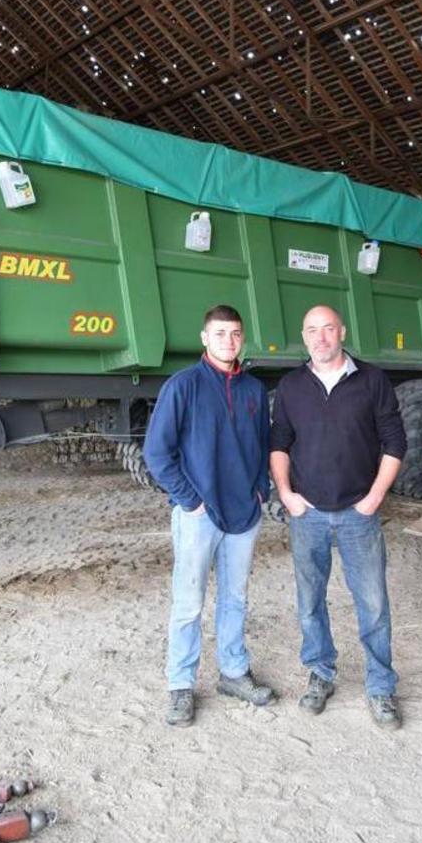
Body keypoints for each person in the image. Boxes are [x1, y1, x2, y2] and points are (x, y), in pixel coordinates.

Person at [270, 305, 407, 730]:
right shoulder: (292, 386)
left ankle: (381, 687)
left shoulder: (372, 380)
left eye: (328, 328)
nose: (321, 337)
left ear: (342, 332)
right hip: (307, 514)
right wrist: (287, 494)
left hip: (357, 515)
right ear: (303, 335)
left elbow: (395, 442)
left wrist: (375, 497)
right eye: (312, 329)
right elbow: (279, 444)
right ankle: (321, 673)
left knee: (373, 602)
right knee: (310, 601)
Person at [143, 304, 274, 728]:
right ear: (204, 338)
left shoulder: (254, 390)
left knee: (235, 599)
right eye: (220, 334)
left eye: (235, 334)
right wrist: (189, 501)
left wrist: (260, 490)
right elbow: (157, 454)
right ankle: (181, 684)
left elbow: (262, 445)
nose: (229, 341)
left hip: (244, 514)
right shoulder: (183, 386)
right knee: (189, 602)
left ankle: (233, 672)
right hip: (199, 515)